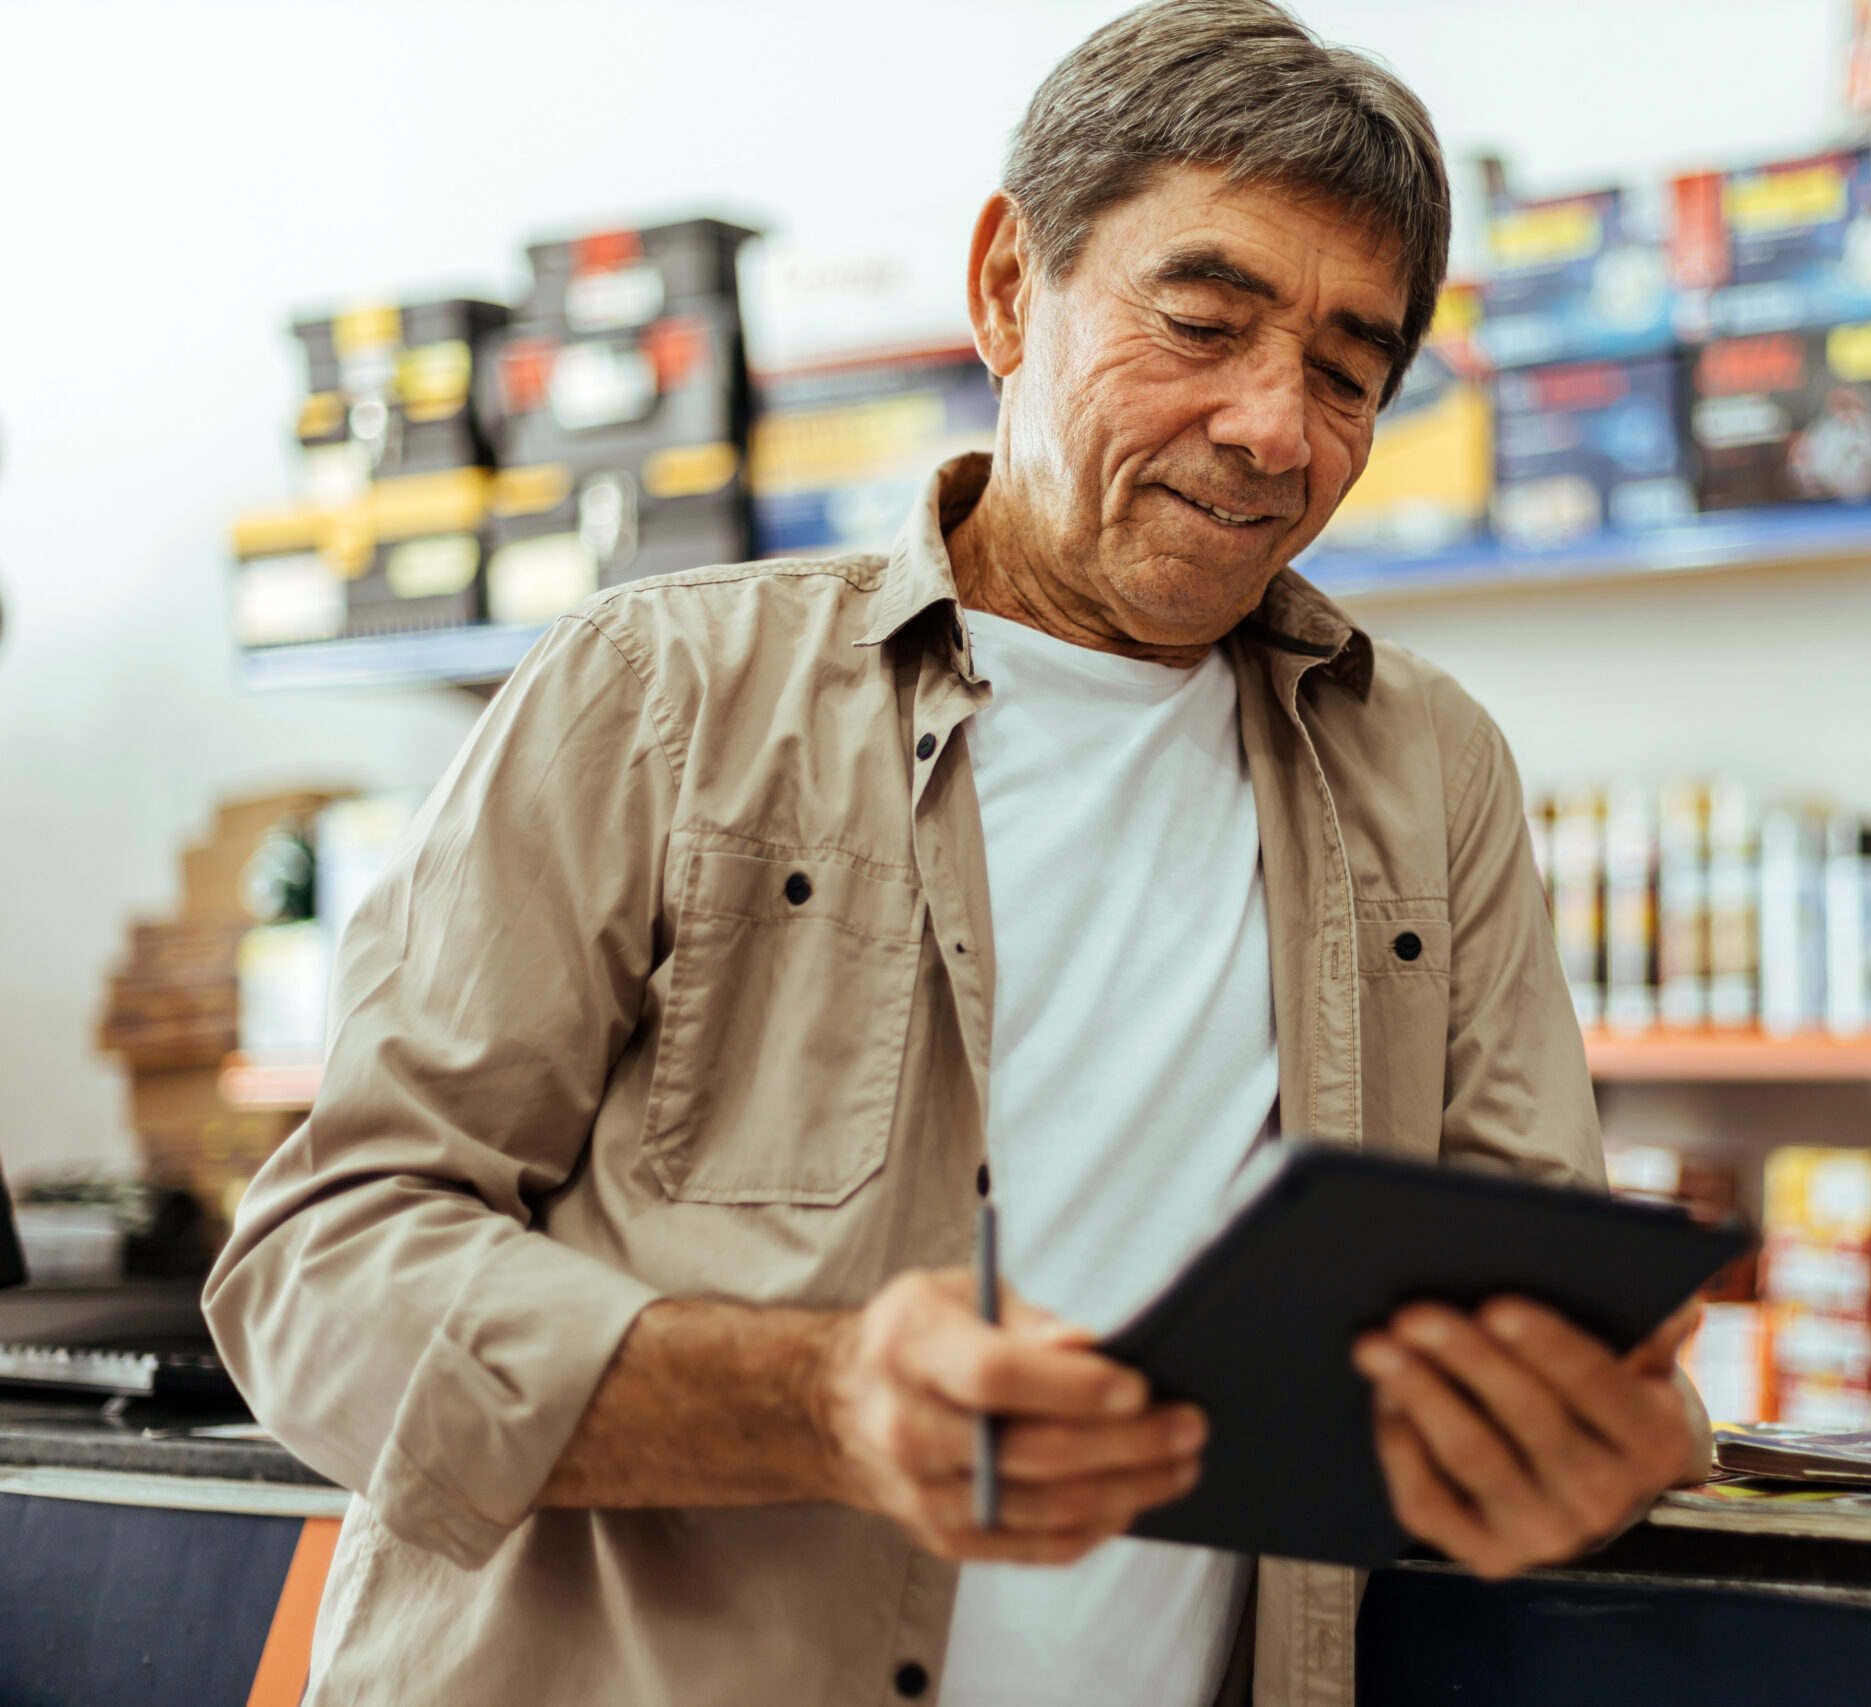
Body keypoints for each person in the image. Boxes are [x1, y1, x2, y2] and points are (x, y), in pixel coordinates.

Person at [205, 3, 1712, 1702]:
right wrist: (820, 1398)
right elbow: (322, 1269)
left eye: (1349, 374)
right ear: (1006, 284)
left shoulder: (1426, 769)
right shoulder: (662, 693)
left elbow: (1546, 1331)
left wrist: (1599, 1432)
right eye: (1203, 322)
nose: (1278, 430)